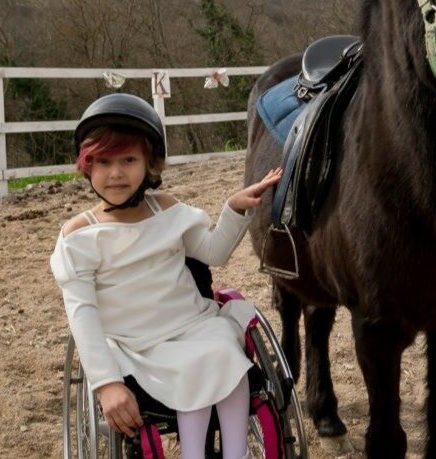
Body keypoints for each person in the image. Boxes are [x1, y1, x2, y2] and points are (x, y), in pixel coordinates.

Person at [50, 93, 282, 459]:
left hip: (192, 323)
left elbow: (213, 252)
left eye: (129, 159)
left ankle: (236, 453)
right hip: (138, 343)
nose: (116, 173)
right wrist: (107, 384)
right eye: (104, 161)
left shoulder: (169, 210)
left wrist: (234, 209)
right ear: (87, 166)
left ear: (150, 165)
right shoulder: (79, 236)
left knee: (224, 349)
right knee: (193, 365)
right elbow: (83, 315)